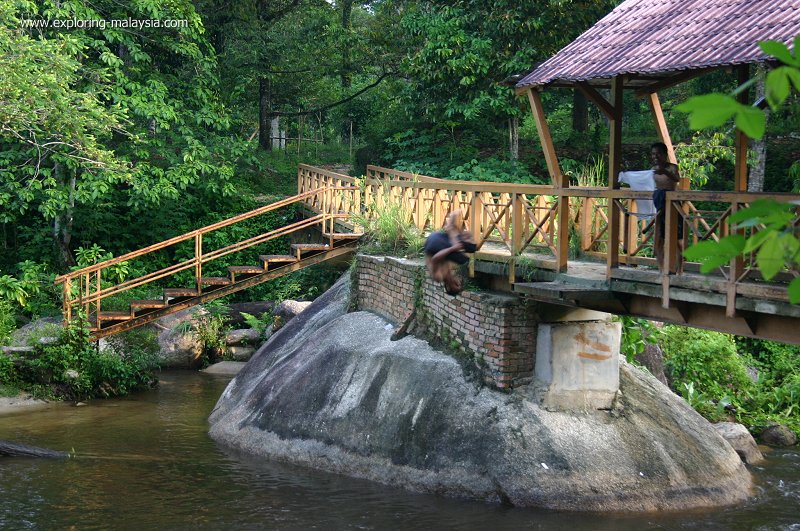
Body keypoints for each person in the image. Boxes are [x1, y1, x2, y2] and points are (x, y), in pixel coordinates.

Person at [424, 209, 476, 295]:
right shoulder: (449, 271)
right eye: (459, 284)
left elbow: (435, 258)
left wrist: (453, 248)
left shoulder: (438, 277)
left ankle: (450, 226)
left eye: (456, 285)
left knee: (461, 259)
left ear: (448, 287)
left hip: (433, 245)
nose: (457, 282)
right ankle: (452, 228)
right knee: (471, 248)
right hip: (439, 240)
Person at [650, 142, 681, 270]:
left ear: (665, 154)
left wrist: (665, 172)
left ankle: (678, 267)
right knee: (659, 238)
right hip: (659, 206)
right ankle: (662, 268)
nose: (655, 156)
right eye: (653, 154)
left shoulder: (672, 168)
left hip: (673, 206)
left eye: (658, 153)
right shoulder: (652, 169)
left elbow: (676, 179)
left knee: (677, 238)